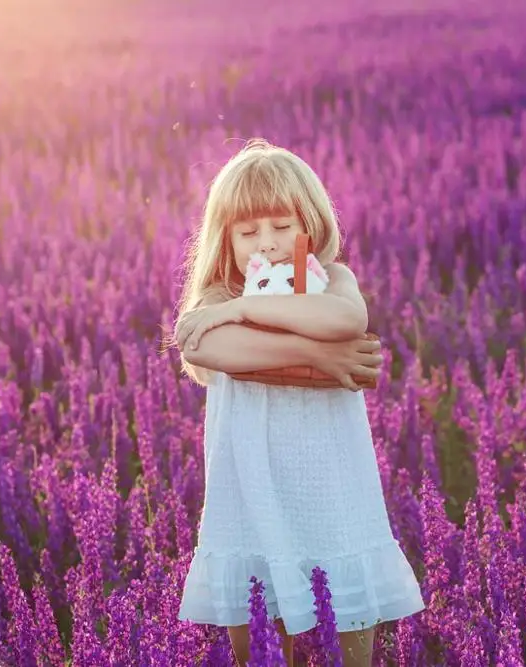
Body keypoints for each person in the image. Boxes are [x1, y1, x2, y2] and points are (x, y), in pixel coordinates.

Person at [171, 138, 425, 667]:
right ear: (226, 239)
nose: (266, 244)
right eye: (247, 232)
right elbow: (205, 346)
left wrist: (252, 311)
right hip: (251, 496)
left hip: (329, 490)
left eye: (282, 227)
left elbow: (344, 322)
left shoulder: (332, 281)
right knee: (257, 648)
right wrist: (317, 358)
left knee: (352, 638)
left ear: (311, 224)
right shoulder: (218, 298)